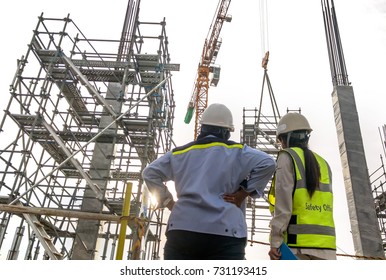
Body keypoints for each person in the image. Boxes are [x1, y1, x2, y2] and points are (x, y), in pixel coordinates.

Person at [142, 103, 276, 260]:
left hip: (182, 230)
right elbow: (269, 163)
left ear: (202, 128)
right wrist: (244, 192)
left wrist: (169, 202)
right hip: (225, 233)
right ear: (227, 131)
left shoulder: (179, 153)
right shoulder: (238, 151)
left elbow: (149, 173)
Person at [268, 112, 337, 260]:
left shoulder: (287, 157)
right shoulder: (324, 163)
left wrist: (275, 240)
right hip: (327, 248)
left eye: (280, 140)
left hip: (297, 247)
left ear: (285, 138)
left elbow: (283, 206)